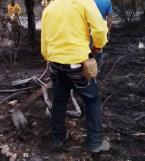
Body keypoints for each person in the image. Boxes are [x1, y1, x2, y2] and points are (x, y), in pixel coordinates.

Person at [41, 0, 110, 152]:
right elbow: (99, 29)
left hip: (55, 64)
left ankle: (58, 138)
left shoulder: (49, 8)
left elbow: (44, 44)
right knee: (92, 100)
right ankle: (95, 143)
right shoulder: (85, 2)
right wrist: (98, 46)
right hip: (77, 64)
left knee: (59, 101)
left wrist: (50, 58)